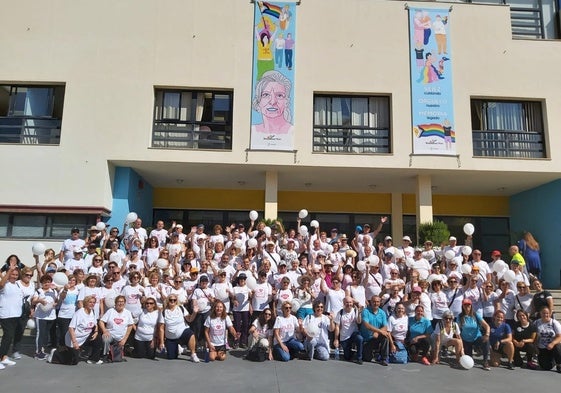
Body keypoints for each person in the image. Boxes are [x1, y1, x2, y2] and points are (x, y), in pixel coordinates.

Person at [47, 295, 103, 365]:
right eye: (90, 302)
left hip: (85, 337)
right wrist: (74, 342)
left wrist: (96, 332)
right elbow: (71, 328)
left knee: (98, 338)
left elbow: (95, 324)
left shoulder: (92, 312)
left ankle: (94, 359)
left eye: (93, 302)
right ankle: (55, 354)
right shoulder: (79, 313)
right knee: (72, 362)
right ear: (85, 303)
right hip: (74, 339)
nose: (92, 304)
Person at [158, 295, 200, 362]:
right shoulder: (163, 312)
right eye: (170, 300)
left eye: (174, 300)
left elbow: (189, 319)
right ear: (167, 301)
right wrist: (162, 342)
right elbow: (161, 328)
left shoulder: (181, 308)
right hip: (171, 338)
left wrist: (194, 313)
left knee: (191, 334)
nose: (172, 301)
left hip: (182, 332)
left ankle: (193, 354)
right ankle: (179, 349)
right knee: (171, 357)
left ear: (176, 301)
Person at [251, 70, 293, 135]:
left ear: (286, 101)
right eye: (266, 95)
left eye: (279, 95)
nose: (273, 102)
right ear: (258, 101)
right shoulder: (252, 131)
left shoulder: (293, 132)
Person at [99, 295, 134, 362]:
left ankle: (114, 355)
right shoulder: (110, 311)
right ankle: (105, 355)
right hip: (111, 335)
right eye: (119, 301)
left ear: (125, 303)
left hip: (121, 337)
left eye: (122, 301)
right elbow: (101, 321)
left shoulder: (128, 313)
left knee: (118, 358)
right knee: (105, 338)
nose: (120, 303)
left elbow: (130, 326)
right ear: (115, 303)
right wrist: (104, 331)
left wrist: (124, 339)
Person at [458, 298, 491, 370]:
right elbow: (457, 330)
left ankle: (485, 361)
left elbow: (487, 326)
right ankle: (475, 350)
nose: (467, 307)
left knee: (486, 341)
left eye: (468, 305)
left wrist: (487, 334)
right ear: (462, 306)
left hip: (477, 338)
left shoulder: (475, 315)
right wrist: (460, 343)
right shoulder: (460, 317)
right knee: (469, 360)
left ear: (471, 306)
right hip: (466, 340)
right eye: (465, 305)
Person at [0, 266, 23, 368]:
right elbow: (1, 284)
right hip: (6, 315)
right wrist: (9, 271)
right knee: (7, 337)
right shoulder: (5, 284)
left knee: (9, 337)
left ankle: (4, 357)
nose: (14, 276)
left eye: (16, 275)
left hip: (16, 315)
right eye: (12, 274)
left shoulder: (17, 285)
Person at [12, 266, 35, 359]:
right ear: (22, 275)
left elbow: (32, 298)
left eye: (31, 275)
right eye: (27, 275)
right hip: (15, 308)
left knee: (20, 330)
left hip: (26, 309)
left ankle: (15, 350)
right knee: (12, 331)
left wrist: (32, 309)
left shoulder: (32, 284)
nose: (29, 277)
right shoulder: (17, 283)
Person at [360, 295, 390, 365]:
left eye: (377, 302)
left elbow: (385, 326)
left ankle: (384, 359)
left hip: (376, 337)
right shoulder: (365, 311)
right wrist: (379, 331)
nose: (376, 303)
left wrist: (378, 332)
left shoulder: (382, 313)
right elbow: (367, 325)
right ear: (371, 302)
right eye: (374, 302)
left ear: (380, 303)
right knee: (367, 359)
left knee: (385, 336)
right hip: (367, 340)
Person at [334, 296, 363, 364]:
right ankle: (352, 353)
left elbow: (359, 322)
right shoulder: (340, 313)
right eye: (347, 302)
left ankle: (359, 358)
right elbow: (337, 326)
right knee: (347, 357)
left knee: (360, 338)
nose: (349, 304)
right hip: (344, 336)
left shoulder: (355, 311)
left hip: (353, 334)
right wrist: (336, 339)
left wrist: (359, 313)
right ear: (344, 303)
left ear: (352, 303)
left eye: (350, 302)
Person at [534, 306, 561, 372]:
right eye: (544, 313)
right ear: (540, 313)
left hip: (553, 346)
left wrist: (552, 343)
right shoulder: (536, 323)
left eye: (547, 313)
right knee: (546, 367)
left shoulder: (554, 323)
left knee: (557, 346)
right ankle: (553, 360)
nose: (546, 315)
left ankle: (559, 364)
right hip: (542, 347)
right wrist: (535, 347)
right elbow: (534, 336)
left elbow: (559, 336)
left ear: (550, 313)